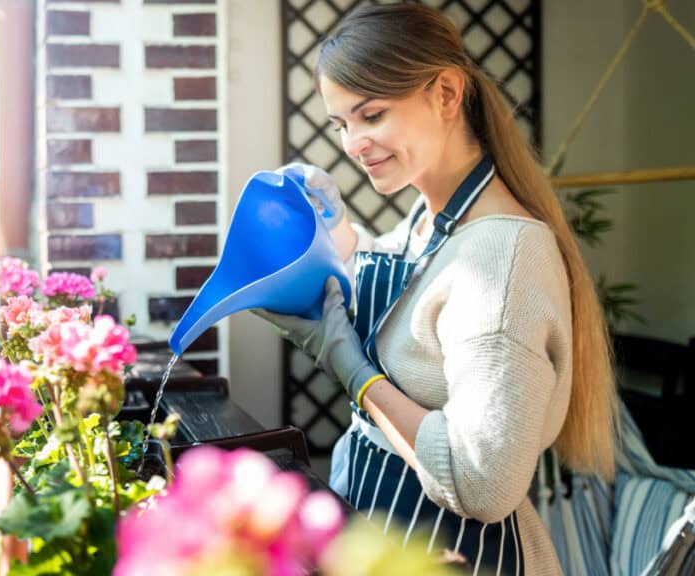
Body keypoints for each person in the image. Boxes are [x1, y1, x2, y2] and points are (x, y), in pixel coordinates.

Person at [255, 4, 618, 575]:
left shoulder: (504, 259)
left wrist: (352, 371)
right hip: (391, 543)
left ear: (446, 94)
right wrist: (340, 239)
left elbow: (483, 482)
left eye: (371, 115)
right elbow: (420, 305)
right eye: (341, 123)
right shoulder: (430, 219)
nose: (353, 143)